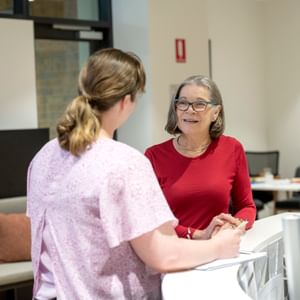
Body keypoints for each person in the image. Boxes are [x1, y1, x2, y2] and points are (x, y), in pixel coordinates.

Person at [27, 50, 243, 300]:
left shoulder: (44, 156)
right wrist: (218, 246)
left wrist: (199, 236)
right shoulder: (125, 163)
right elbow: (163, 255)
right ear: (126, 101)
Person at [145, 75, 256, 240]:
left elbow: (246, 206)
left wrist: (233, 225)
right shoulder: (154, 156)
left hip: (219, 253)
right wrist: (199, 235)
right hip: (174, 252)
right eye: (182, 103)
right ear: (175, 109)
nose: (189, 110)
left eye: (199, 104)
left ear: (215, 113)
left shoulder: (232, 149)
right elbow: (150, 219)